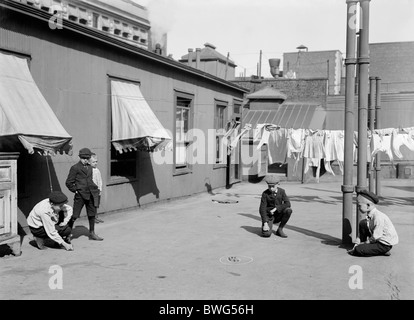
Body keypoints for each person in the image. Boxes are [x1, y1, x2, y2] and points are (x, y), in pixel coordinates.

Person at [65, 147, 103, 241]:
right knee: (74, 215)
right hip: (80, 195)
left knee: (92, 214)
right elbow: (69, 182)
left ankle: (92, 233)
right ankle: (67, 235)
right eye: (84, 158)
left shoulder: (90, 168)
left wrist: (95, 189)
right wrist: (76, 190)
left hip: (91, 194)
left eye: (87, 158)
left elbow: (89, 180)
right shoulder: (75, 168)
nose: (86, 160)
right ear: (80, 158)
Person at [348, 189, 398, 257]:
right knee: (363, 223)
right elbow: (366, 228)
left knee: (359, 250)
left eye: (359, 205)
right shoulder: (371, 214)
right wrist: (358, 242)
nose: (358, 208)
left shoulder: (378, 217)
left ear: (368, 205)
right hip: (377, 239)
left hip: (384, 244)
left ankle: (383, 250)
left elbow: (375, 236)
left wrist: (364, 244)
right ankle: (369, 247)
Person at [90, 153, 103, 223]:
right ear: (89, 162)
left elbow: (100, 180)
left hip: (97, 190)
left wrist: (100, 189)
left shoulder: (97, 170)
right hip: (91, 191)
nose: (95, 163)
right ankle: (92, 218)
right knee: (92, 205)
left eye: (96, 161)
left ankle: (96, 216)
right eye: (93, 162)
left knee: (96, 204)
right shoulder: (89, 171)